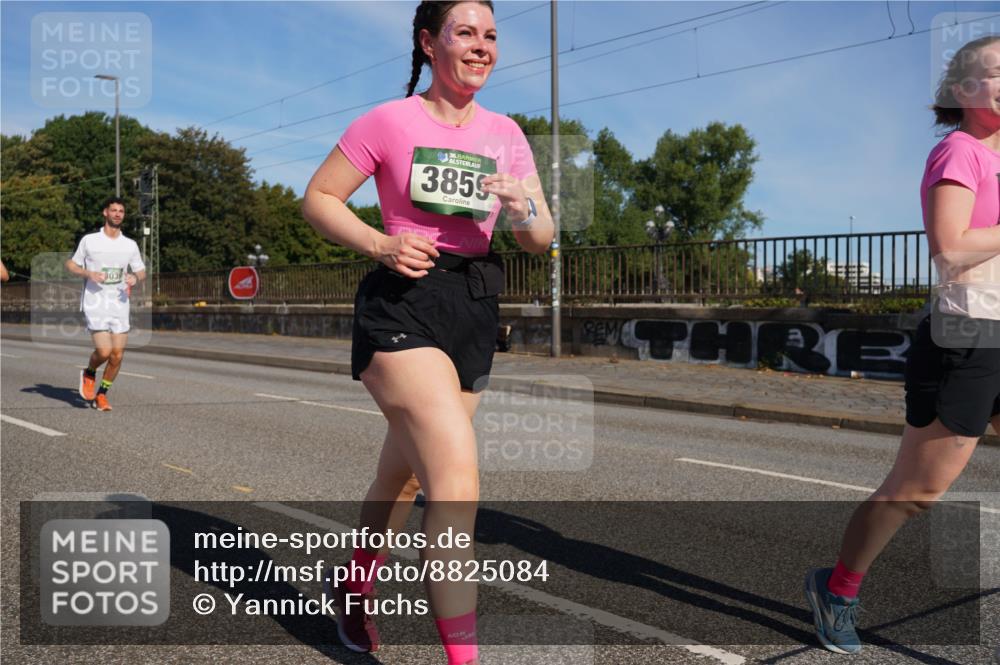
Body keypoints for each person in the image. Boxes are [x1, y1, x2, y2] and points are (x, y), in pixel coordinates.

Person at [302, 2, 553, 663]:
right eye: (465, 33)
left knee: (406, 477)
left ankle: (353, 587)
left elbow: (540, 236)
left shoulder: (506, 133)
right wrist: (381, 244)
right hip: (403, 303)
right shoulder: (389, 121)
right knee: (455, 483)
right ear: (428, 43)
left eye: (490, 35)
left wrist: (523, 206)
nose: (481, 46)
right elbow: (319, 197)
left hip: (473, 306)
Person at [804, 35, 1000, 654]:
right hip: (969, 334)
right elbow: (950, 247)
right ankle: (837, 589)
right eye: (997, 72)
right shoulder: (959, 151)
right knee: (917, 492)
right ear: (963, 91)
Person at [65, 197, 146, 411]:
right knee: (104, 352)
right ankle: (89, 372)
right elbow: (71, 264)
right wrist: (88, 273)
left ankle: (101, 394)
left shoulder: (130, 245)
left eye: (121, 211)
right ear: (105, 212)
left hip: (120, 304)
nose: (117, 214)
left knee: (117, 355)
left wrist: (135, 278)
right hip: (96, 302)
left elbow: (141, 271)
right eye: (114, 210)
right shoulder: (90, 240)